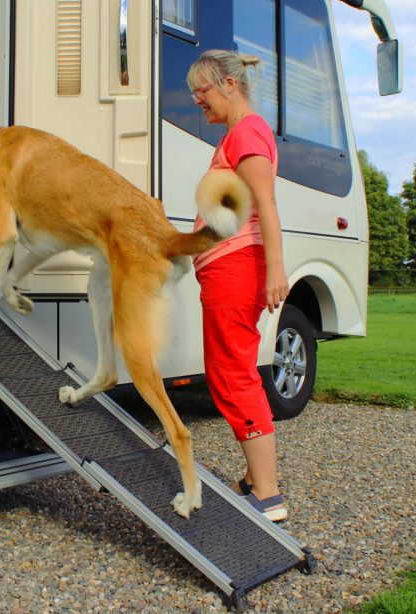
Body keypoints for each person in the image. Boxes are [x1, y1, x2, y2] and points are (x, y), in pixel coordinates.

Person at [186, 50, 289, 522]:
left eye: (201, 92)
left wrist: (275, 269)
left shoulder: (247, 131)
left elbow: (265, 204)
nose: (196, 102)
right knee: (232, 369)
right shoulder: (239, 135)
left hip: (238, 268)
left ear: (228, 84)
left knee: (232, 373)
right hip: (229, 268)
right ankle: (254, 481)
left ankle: (267, 494)